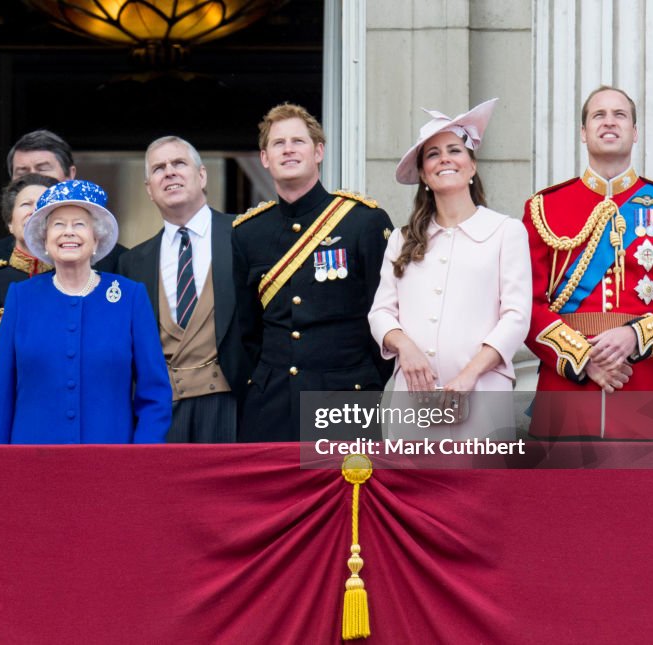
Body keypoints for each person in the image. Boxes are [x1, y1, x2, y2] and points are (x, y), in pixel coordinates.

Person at [523, 86, 653, 439]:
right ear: (583, 132)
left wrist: (633, 336)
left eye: (620, 115)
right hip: (566, 385)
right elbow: (525, 304)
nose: (609, 122)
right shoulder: (544, 208)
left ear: (635, 133)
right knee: (560, 492)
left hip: (640, 377)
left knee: (641, 490)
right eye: (598, 115)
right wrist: (582, 357)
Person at [369, 99, 531, 439]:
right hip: (412, 399)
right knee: (409, 491)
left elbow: (516, 317)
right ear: (424, 175)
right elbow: (381, 312)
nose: (444, 158)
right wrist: (405, 348)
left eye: (454, 150)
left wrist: (469, 376)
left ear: (471, 167)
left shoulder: (506, 231)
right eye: (432, 154)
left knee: (479, 492)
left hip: (483, 394)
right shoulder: (401, 239)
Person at [231, 103, 394, 442]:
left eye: (298, 141)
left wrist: (361, 385)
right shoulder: (247, 233)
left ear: (318, 151)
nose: (288, 149)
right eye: (278, 143)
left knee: (344, 495)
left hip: (344, 395)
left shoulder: (363, 221)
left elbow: (383, 314)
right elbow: (247, 331)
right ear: (264, 158)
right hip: (270, 402)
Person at [0, 180, 171, 444]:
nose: (68, 232)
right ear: (45, 240)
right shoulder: (21, 297)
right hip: (31, 463)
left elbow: (155, 395)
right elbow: (1, 394)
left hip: (109, 462)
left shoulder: (129, 297)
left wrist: (140, 461)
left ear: (96, 238)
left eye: (79, 224)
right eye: (58, 225)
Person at [117, 136, 250, 442]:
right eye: (159, 168)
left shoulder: (244, 235)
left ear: (201, 175)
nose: (170, 172)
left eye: (179, 163)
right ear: (150, 189)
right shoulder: (132, 262)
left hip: (231, 404)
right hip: (161, 412)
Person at [0, 129, 128, 273]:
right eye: (22, 173)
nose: (33, 180)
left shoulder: (118, 261)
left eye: (43, 170)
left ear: (70, 175)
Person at [0, 173, 59, 331]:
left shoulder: (74, 279)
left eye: (43, 204)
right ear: (10, 223)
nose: (34, 211)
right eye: (26, 204)